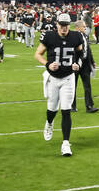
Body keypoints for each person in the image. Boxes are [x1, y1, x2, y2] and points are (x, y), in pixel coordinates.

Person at [36, 12, 84, 157]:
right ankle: (49, 123)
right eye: (61, 25)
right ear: (57, 24)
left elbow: (81, 54)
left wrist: (78, 64)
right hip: (53, 78)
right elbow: (38, 54)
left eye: (66, 25)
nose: (64, 28)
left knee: (66, 110)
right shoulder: (49, 36)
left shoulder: (76, 36)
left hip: (68, 77)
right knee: (51, 109)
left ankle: (65, 143)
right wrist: (48, 64)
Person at [73, 19, 99, 112]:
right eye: (83, 26)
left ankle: (89, 106)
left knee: (87, 86)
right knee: (72, 86)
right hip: (75, 64)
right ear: (77, 28)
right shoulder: (73, 36)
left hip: (85, 65)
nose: (85, 28)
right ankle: (71, 106)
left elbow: (88, 49)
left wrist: (92, 61)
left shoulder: (85, 35)